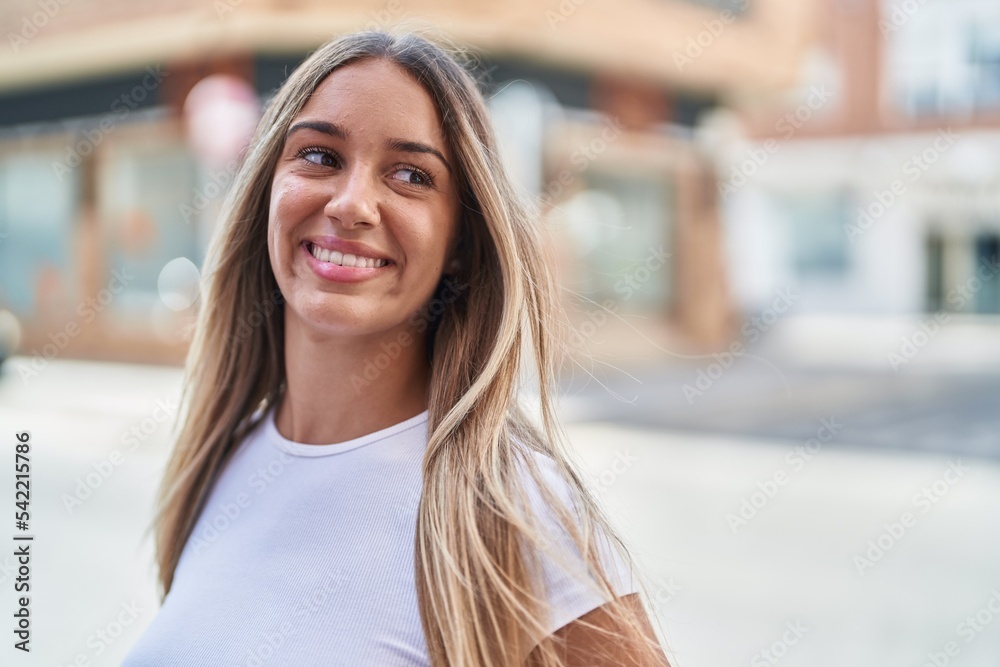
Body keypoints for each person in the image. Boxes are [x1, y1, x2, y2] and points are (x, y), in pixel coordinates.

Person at [122, 29, 671, 667]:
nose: (353, 203)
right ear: (266, 193)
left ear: (462, 244)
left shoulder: (509, 510)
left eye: (411, 175)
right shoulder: (219, 461)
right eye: (320, 156)